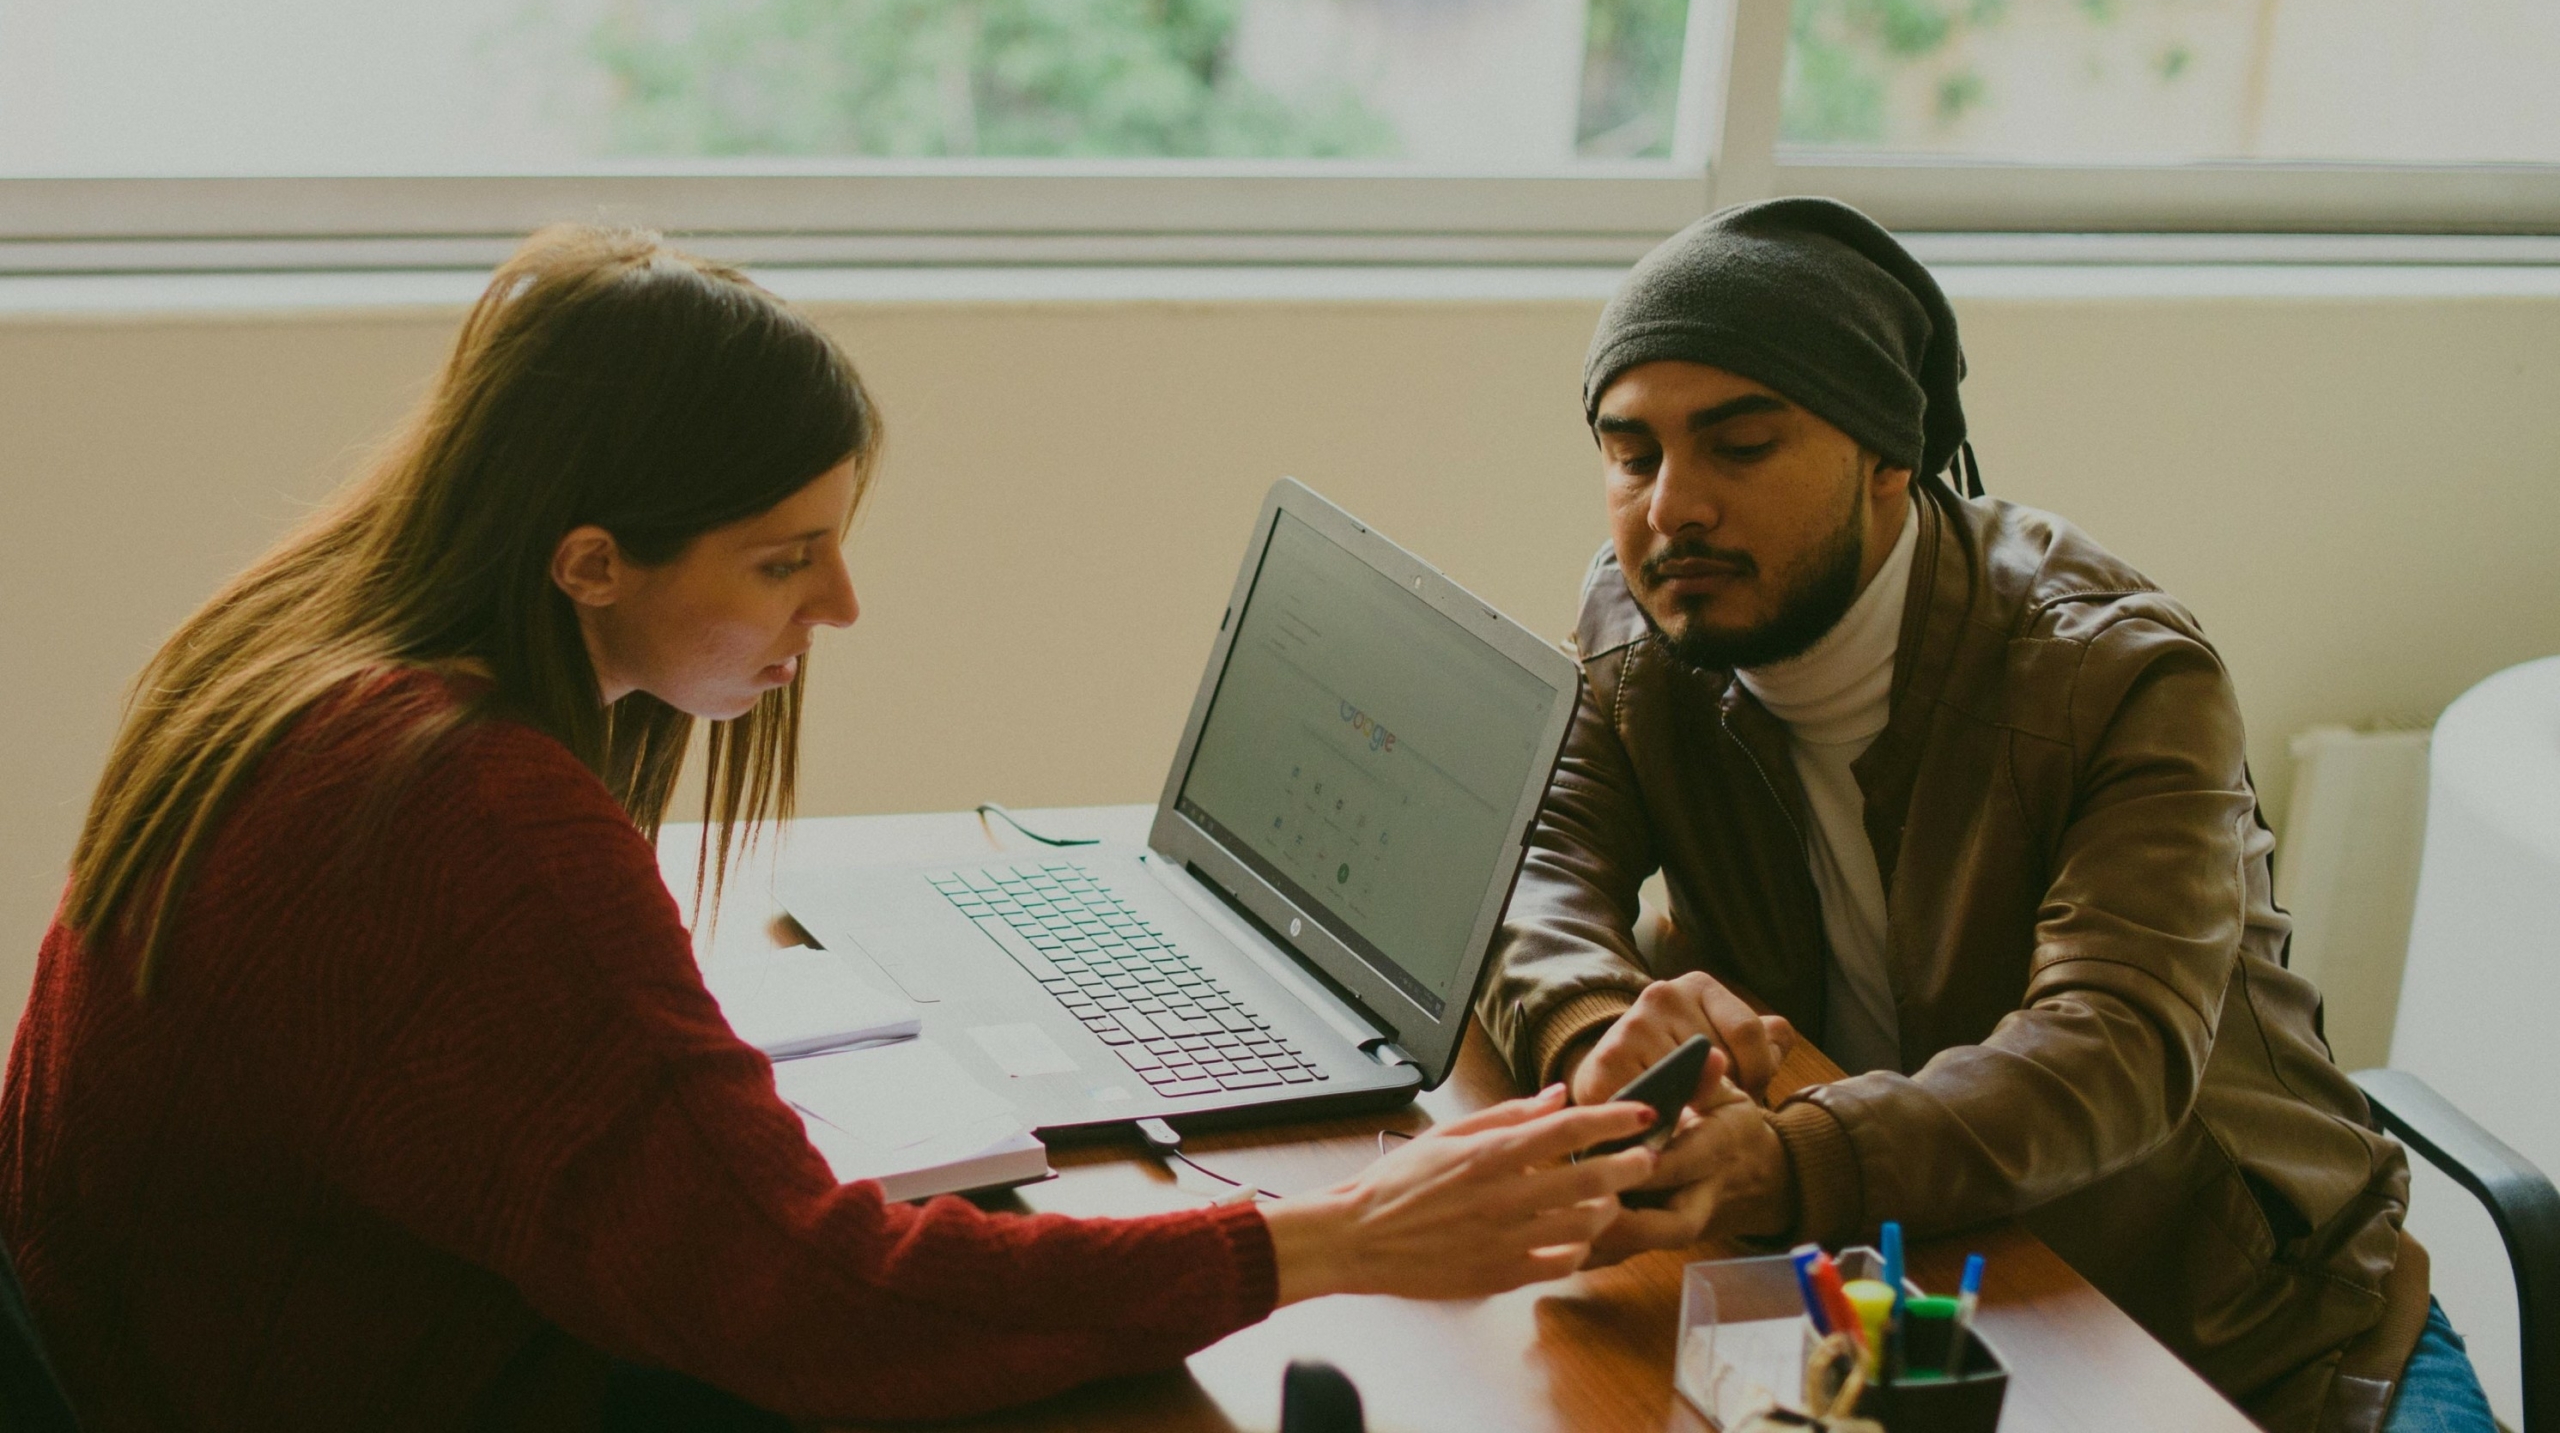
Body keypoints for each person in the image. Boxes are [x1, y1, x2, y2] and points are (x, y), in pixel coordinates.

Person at [0, 225, 1665, 1431]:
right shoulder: (463, 809)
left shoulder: (306, 644)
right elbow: (811, 1299)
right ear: (589, 560)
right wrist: (1334, 1237)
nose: (840, 605)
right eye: (782, 559)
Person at [1485, 198, 2500, 1433]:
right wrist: (1600, 1031)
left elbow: (2110, 1044)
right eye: (1632, 454)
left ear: (1887, 457)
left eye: (1739, 446)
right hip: (1896, 1305)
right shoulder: (1639, 628)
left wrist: (1793, 1159)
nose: (1669, 507)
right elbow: (1532, 866)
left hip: (2243, 1336)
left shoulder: (2116, 674)